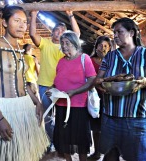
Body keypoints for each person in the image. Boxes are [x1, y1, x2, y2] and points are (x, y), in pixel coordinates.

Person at [0, 5, 49, 161]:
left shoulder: (19, 49)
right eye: (17, 21)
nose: (22, 25)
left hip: (25, 106)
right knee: (5, 155)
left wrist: (37, 103)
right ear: (5, 23)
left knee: (26, 154)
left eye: (25, 22)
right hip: (3, 108)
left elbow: (23, 83)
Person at [95, 18, 146, 161]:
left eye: (119, 32)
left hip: (137, 119)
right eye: (114, 33)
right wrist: (103, 85)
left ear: (131, 33)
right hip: (110, 118)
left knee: (139, 157)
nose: (115, 36)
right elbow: (98, 80)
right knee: (110, 156)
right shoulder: (110, 57)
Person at [29, 10, 80, 151]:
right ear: (52, 32)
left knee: (64, 115)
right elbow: (33, 34)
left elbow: (77, 35)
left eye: (63, 30)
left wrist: (70, 15)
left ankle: (63, 142)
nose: (60, 32)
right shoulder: (45, 43)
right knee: (47, 117)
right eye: (58, 30)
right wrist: (33, 15)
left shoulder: (66, 45)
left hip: (63, 87)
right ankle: (50, 142)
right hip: (46, 86)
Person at [47, 31, 96, 161]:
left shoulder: (84, 58)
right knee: (64, 138)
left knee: (80, 139)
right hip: (61, 106)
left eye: (67, 43)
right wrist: (52, 89)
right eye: (62, 43)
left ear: (75, 43)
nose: (64, 46)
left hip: (78, 106)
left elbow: (92, 80)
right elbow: (57, 81)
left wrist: (74, 92)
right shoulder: (61, 61)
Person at [88, 35, 111, 160]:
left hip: (109, 98)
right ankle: (97, 152)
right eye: (100, 45)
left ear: (110, 47)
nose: (103, 48)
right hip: (94, 99)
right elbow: (87, 78)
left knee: (107, 128)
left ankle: (107, 154)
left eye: (106, 46)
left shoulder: (112, 61)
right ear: (96, 47)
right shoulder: (90, 61)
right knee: (96, 128)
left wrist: (104, 59)